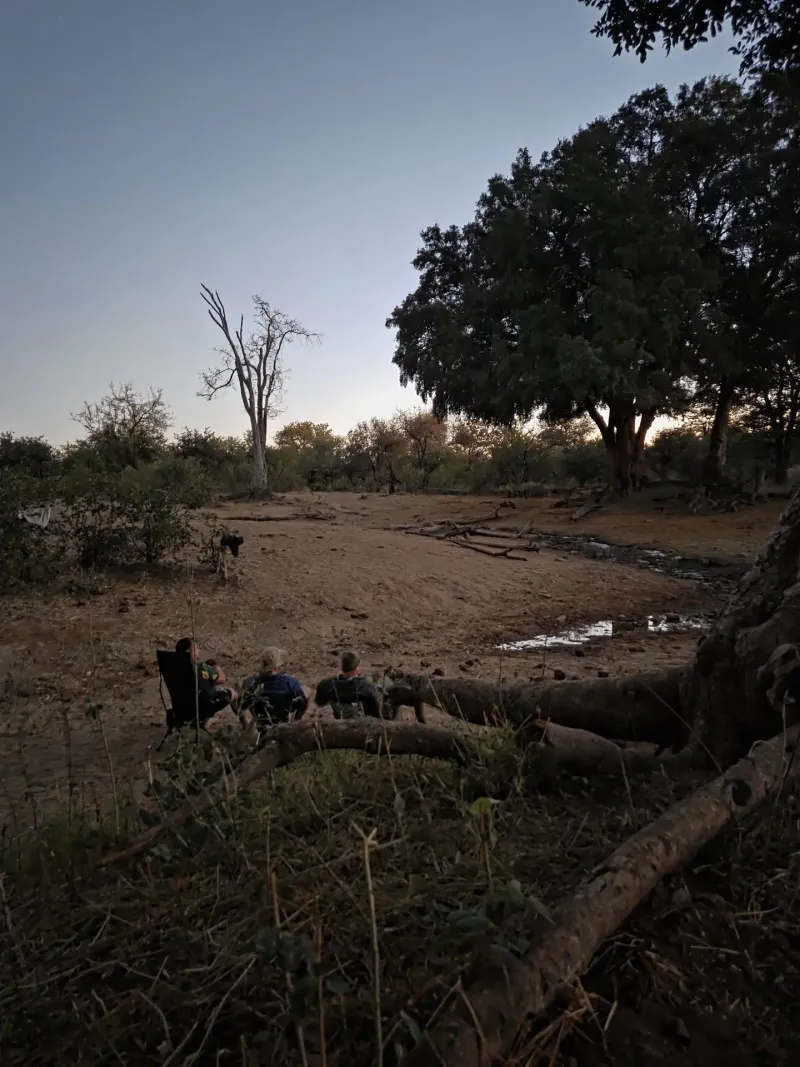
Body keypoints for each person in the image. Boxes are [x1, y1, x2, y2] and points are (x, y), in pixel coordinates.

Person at [239, 646, 308, 723]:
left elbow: (242, 707)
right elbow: (302, 705)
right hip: (285, 727)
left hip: (261, 729)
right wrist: (295, 720)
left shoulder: (251, 684)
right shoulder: (291, 683)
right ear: (277, 668)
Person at [175, 637, 237, 713]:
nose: (199, 651)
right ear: (189, 652)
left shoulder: (175, 669)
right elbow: (222, 679)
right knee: (232, 692)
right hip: (202, 708)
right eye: (197, 648)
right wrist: (218, 668)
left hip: (183, 709)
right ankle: (246, 722)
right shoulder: (201, 667)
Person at [314, 652, 384, 719]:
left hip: (339, 722)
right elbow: (377, 714)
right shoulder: (368, 688)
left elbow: (319, 702)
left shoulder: (326, 686)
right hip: (362, 725)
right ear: (357, 669)